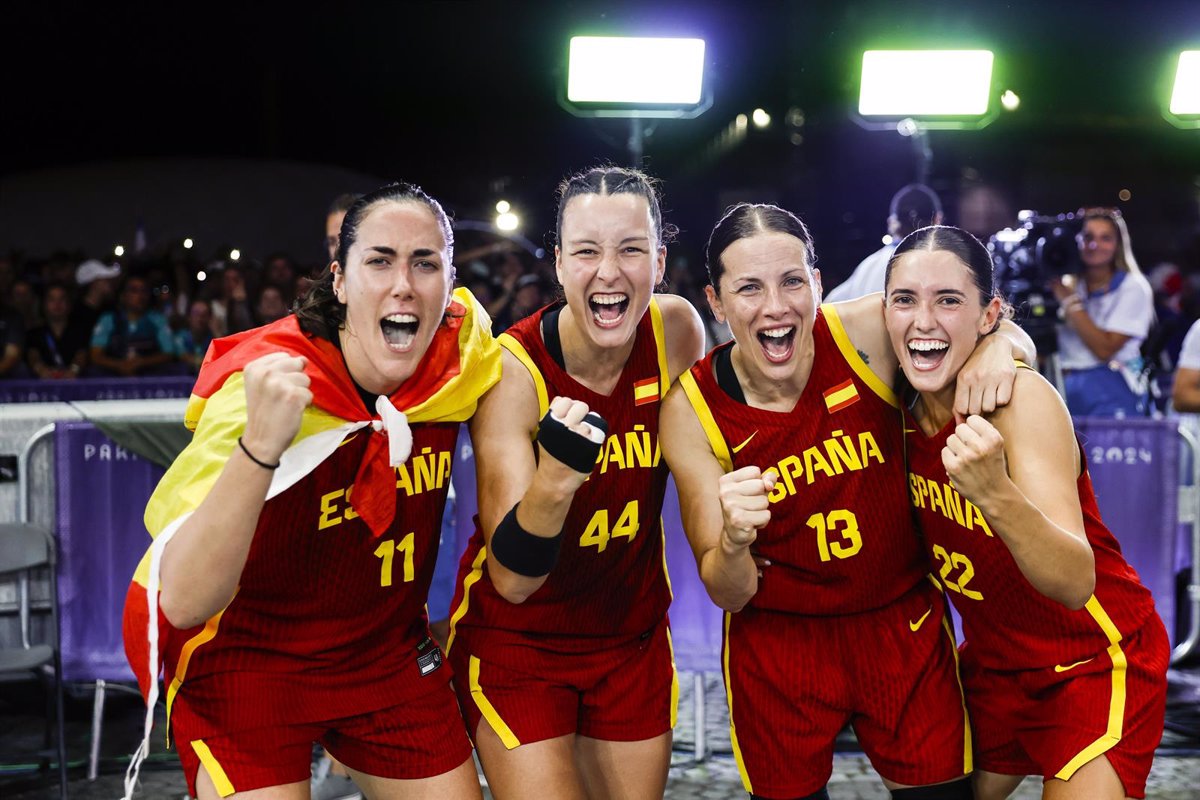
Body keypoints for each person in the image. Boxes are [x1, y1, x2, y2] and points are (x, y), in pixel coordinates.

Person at [121, 182, 501, 800]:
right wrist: (259, 449)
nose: (404, 282)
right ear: (341, 280)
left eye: (425, 263)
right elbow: (183, 602)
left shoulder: (461, 357)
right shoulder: (267, 385)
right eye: (379, 260)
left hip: (384, 657)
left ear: (450, 281)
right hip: (251, 663)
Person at [661, 203, 1035, 800]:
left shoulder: (861, 331)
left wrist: (1001, 349)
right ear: (716, 301)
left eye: (791, 281)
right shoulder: (691, 409)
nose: (776, 307)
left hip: (899, 624)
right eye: (749, 288)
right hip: (778, 643)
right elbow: (728, 590)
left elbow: (985, 326)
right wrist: (732, 539)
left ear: (816, 282)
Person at [445, 166, 705, 800]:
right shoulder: (514, 372)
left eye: (631, 249)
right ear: (559, 265)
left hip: (630, 639)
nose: (609, 272)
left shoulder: (676, 332)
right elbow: (511, 580)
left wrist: (994, 333)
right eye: (587, 251)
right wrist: (556, 480)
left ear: (660, 261)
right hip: (521, 645)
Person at [884, 225, 1169, 800]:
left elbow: (1072, 580)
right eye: (905, 300)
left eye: (948, 300)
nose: (923, 320)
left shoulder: (1018, 400)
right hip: (993, 665)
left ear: (987, 313)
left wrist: (995, 493)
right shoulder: (893, 403)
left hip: (1089, 659)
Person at [1050, 208, 1154, 417]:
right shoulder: (1067, 284)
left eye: (1105, 238)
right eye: (1087, 237)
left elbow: (1104, 349)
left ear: (1118, 245)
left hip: (1112, 387)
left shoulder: (1133, 286)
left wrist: (1070, 301)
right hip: (1063, 384)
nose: (1095, 245)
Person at [825, 184, 943, 303]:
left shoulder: (869, 266)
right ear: (938, 219)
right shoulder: (945, 265)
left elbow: (828, 306)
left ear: (892, 222)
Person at [90, 274, 177, 376]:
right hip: (113, 376)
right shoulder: (108, 319)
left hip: (148, 376)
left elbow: (169, 353)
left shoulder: (158, 320)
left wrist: (142, 362)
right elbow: (95, 355)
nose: (140, 296)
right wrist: (119, 365)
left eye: (143, 291)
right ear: (123, 296)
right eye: (134, 290)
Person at [26, 283, 90, 378]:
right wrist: (41, 369)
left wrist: (74, 370)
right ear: (43, 304)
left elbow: (81, 355)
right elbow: (33, 356)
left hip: (74, 382)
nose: (57, 304)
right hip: (42, 383)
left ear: (69, 304)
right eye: (52, 299)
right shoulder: (34, 333)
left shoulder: (80, 331)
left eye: (62, 299)